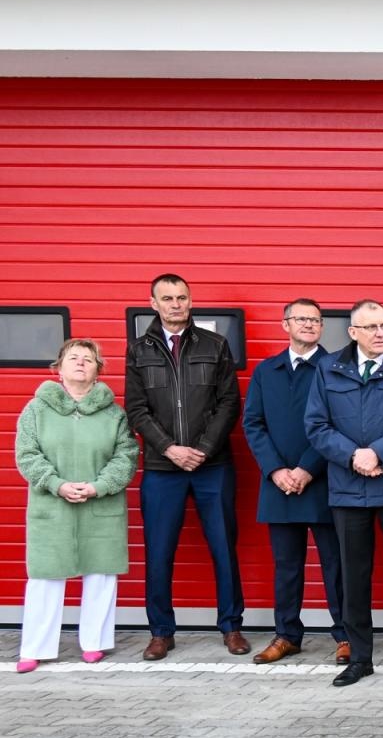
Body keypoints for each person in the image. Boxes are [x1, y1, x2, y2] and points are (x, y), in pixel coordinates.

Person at [305, 299, 383, 687]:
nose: (381, 333)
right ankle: (359, 657)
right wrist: (353, 457)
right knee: (352, 575)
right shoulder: (329, 368)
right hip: (347, 487)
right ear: (352, 332)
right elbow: (316, 424)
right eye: (372, 327)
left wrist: (378, 453)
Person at [125, 273, 247, 660]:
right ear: (153, 303)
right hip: (163, 468)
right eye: (167, 298)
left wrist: (204, 449)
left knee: (224, 547)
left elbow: (229, 403)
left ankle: (231, 626)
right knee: (159, 551)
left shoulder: (215, 345)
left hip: (213, 465)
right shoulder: (138, 350)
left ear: (190, 301)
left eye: (181, 297)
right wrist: (170, 448)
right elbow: (136, 409)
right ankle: (161, 631)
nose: (175, 304)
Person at [13, 340, 139, 672]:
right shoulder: (36, 409)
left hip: (101, 506)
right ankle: (35, 648)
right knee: (45, 577)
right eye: (74, 358)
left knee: (101, 575)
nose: (81, 363)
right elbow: (27, 455)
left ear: (99, 369)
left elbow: (125, 456)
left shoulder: (114, 413)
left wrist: (98, 487)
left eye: (89, 359)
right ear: (58, 367)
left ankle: (94, 643)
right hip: (51, 507)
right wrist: (57, 484)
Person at [242, 298, 348, 665]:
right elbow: (252, 423)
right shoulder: (266, 371)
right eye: (301, 319)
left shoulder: (336, 368)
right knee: (286, 566)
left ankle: (345, 636)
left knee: (336, 564)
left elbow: (339, 424)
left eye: (315, 320)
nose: (308, 325)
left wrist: (306, 469)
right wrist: (275, 470)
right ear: (285, 324)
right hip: (279, 485)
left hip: (324, 482)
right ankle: (287, 634)